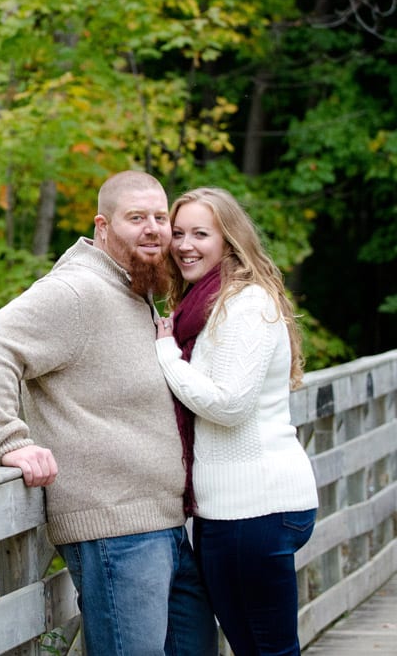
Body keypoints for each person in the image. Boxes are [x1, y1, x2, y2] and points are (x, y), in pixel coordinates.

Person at [0, 170, 218, 656]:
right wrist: (9, 440)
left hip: (165, 525)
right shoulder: (78, 291)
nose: (154, 229)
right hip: (114, 531)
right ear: (103, 226)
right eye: (136, 218)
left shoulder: (134, 290)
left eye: (161, 218)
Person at [154, 187, 319, 656]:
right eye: (179, 232)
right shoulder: (203, 307)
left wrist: (164, 352)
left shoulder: (245, 305)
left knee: (269, 651)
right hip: (231, 511)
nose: (185, 244)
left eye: (201, 233)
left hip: (255, 508)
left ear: (229, 240)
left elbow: (228, 405)